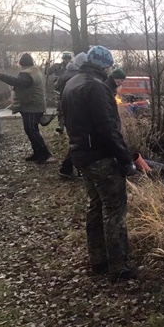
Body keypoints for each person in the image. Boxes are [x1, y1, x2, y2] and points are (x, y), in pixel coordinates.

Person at [60, 45, 138, 282]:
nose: (110, 71)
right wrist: (126, 159)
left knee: (95, 206)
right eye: (110, 67)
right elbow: (108, 130)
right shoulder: (97, 87)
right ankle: (120, 268)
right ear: (104, 66)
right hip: (100, 157)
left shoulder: (72, 83)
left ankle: (98, 260)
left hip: (81, 155)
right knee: (114, 210)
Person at [0, 53, 51, 163]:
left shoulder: (27, 74)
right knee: (33, 130)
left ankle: (44, 153)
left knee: (31, 130)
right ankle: (37, 153)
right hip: (34, 105)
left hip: (31, 107)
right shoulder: (35, 71)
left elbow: (17, 82)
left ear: (23, 64)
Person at [56, 52, 87, 178]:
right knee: (79, 142)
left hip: (68, 109)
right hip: (74, 111)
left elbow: (58, 87)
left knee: (76, 141)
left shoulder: (68, 72)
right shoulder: (75, 75)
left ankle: (68, 168)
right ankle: (69, 168)